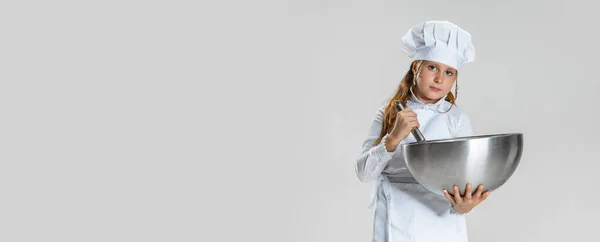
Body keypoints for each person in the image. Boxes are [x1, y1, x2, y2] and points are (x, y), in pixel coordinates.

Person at [355, 20, 490, 242]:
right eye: (432, 67)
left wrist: (463, 206)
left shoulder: (457, 119)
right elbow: (363, 173)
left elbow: (464, 181)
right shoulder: (388, 113)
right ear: (416, 66)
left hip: (442, 224)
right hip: (396, 219)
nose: (439, 79)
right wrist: (394, 137)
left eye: (449, 72)